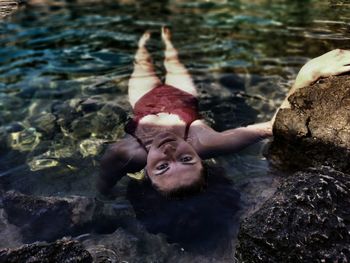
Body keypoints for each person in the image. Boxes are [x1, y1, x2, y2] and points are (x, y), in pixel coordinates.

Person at [97, 26, 350, 197]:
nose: (170, 151)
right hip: (182, 95)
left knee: (142, 62)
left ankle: (147, 41)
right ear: (200, 160)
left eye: (162, 167)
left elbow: (104, 183)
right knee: (174, 61)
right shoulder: (205, 142)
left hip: (144, 100)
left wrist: (106, 196)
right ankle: (166, 42)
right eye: (186, 160)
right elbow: (273, 126)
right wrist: (307, 74)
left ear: (147, 176)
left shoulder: (125, 153)